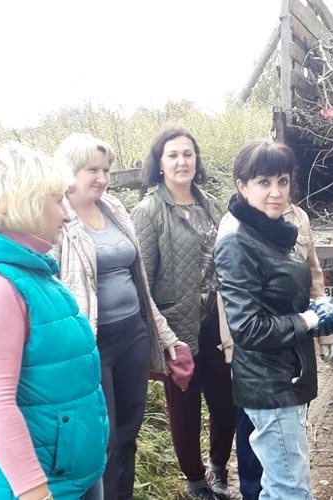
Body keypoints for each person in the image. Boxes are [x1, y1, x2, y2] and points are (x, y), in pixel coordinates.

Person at [0, 143, 108, 499]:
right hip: (43, 487)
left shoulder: (34, 274)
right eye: (56, 200)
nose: (66, 215)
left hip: (73, 477)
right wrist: (36, 493)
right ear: (26, 203)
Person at [53, 133, 189, 500]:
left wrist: (166, 337)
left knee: (128, 431)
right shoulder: (56, 219)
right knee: (105, 437)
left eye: (106, 170)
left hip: (133, 335)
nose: (101, 178)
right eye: (91, 170)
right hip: (93, 343)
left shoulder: (113, 207)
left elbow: (140, 283)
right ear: (68, 172)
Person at [214, 139, 333, 500]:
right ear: (242, 186)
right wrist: (306, 321)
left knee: (281, 483)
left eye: (283, 182)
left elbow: (294, 290)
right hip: (268, 383)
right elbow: (246, 328)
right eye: (264, 182)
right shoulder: (237, 243)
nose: (276, 193)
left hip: (287, 374)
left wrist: (321, 311)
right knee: (292, 489)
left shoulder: (277, 233)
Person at [130, 127, 232, 500]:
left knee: (226, 402)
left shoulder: (211, 205)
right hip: (177, 327)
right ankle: (196, 481)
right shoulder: (148, 212)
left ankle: (221, 467)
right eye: (172, 155)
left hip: (218, 323)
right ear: (158, 163)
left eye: (188, 154)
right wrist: (160, 336)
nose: (181, 161)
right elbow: (142, 282)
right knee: (185, 410)